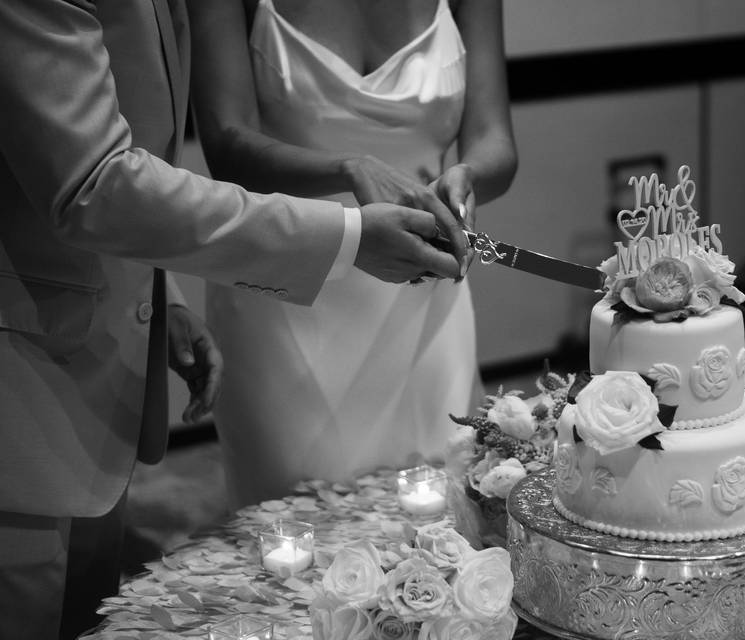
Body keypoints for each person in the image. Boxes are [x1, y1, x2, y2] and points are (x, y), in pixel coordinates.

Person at [0, 0, 469, 637]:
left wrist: (160, 299)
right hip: (23, 400)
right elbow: (96, 182)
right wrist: (347, 236)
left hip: (93, 374)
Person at [185, 0, 517, 506]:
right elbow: (226, 143)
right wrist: (348, 168)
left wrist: (468, 175)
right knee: (296, 531)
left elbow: (495, 139)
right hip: (285, 300)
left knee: (439, 523)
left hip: (424, 298)